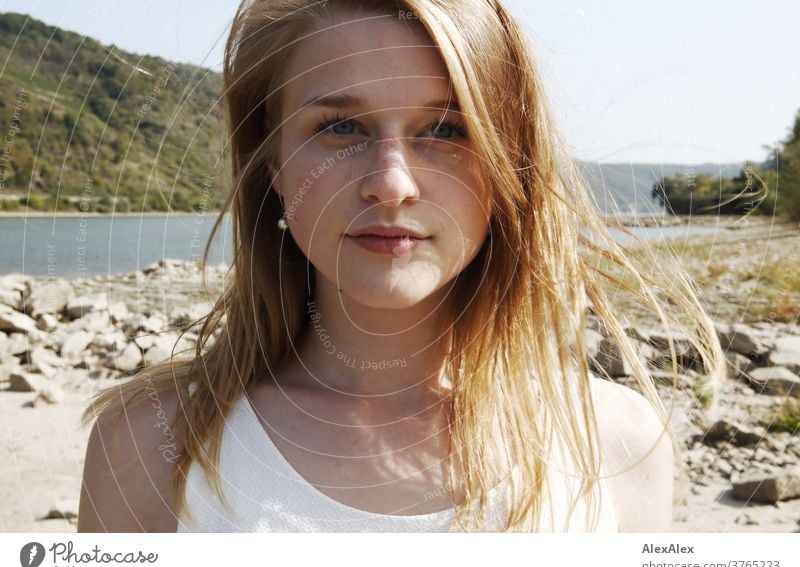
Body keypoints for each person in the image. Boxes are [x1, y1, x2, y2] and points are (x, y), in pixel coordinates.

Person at [78, 0, 724, 533]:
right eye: (342, 128)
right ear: (271, 162)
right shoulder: (151, 443)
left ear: (508, 167)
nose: (391, 183)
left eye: (445, 130)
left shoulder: (614, 444)